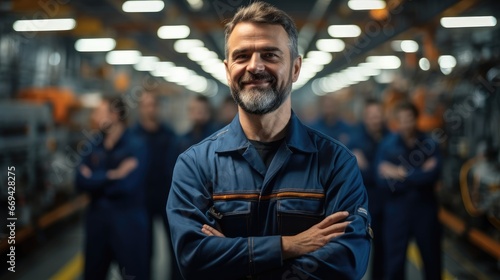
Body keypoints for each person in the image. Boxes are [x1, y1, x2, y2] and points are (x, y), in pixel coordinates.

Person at [167, 2, 371, 279]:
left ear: (295, 68)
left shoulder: (336, 163)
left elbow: (346, 261)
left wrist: (231, 256)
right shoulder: (195, 165)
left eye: (270, 54)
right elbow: (193, 259)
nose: (255, 66)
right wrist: (290, 245)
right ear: (228, 71)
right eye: (242, 56)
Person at [75, 96, 149, 280]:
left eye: (99, 112)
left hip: (128, 223)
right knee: (93, 274)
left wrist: (94, 179)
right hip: (97, 222)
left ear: (115, 114)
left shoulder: (136, 145)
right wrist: (112, 175)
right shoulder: (92, 145)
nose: (94, 116)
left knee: (133, 274)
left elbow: (127, 185)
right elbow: (79, 181)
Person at [375, 101, 442, 280]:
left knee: (432, 260)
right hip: (397, 210)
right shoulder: (387, 145)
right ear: (397, 121)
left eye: (409, 119)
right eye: (402, 120)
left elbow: (433, 175)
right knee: (394, 264)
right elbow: (381, 181)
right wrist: (419, 173)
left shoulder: (429, 143)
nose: (406, 124)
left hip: (424, 209)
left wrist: (398, 172)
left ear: (416, 119)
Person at [131, 91, 181, 280]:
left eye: (153, 104)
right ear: (140, 109)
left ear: (158, 107)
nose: (150, 109)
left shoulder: (169, 135)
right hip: (141, 198)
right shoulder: (133, 136)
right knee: (144, 247)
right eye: (146, 105)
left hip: (167, 196)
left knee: (175, 244)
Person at [350, 99, 389, 280]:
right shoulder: (356, 140)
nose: (376, 120)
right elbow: (360, 173)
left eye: (378, 115)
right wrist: (384, 170)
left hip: (389, 205)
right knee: (362, 251)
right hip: (365, 205)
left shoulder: (391, 137)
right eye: (372, 116)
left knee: (386, 252)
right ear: (365, 118)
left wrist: (372, 168)